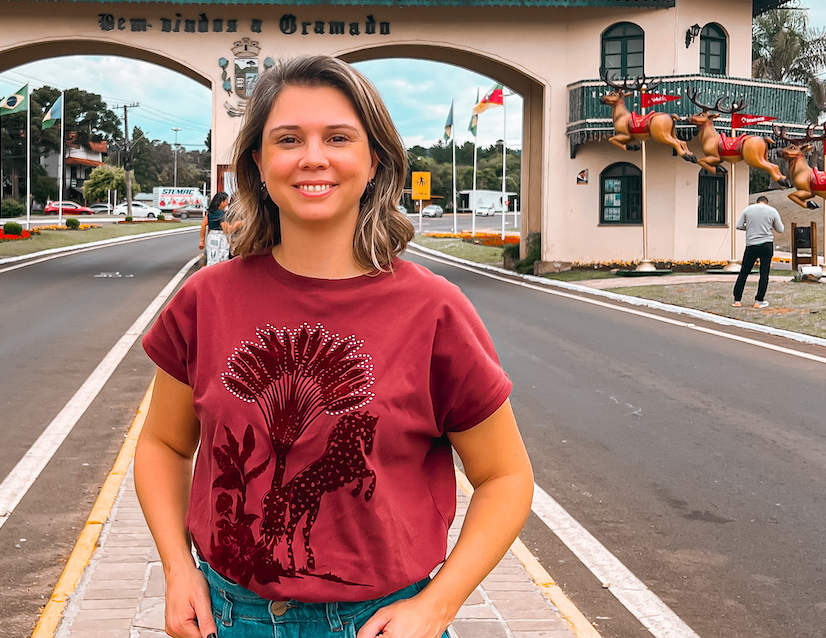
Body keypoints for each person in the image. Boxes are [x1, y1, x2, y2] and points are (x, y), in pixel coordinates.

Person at [135, 55, 533, 638]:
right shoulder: (206, 300)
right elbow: (163, 445)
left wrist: (439, 605)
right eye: (289, 139)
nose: (313, 157)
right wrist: (176, 570)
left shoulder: (434, 311)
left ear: (374, 161)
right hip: (226, 619)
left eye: (339, 138)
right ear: (260, 164)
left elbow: (505, 476)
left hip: (381, 623)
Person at [733, 194, 784, 308]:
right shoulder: (772, 211)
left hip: (751, 245)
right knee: (764, 274)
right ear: (767, 203)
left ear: (757, 202)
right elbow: (780, 229)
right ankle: (759, 300)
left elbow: (738, 225)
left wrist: (750, 227)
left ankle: (737, 299)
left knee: (744, 272)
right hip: (766, 244)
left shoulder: (748, 209)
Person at [199, 191, 234, 266]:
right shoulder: (221, 213)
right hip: (220, 238)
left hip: (211, 236)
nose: (227, 203)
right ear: (221, 202)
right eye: (226, 201)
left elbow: (203, 225)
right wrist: (239, 224)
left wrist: (202, 240)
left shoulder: (210, 212)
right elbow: (227, 229)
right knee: (221, 259)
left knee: (212, 258)